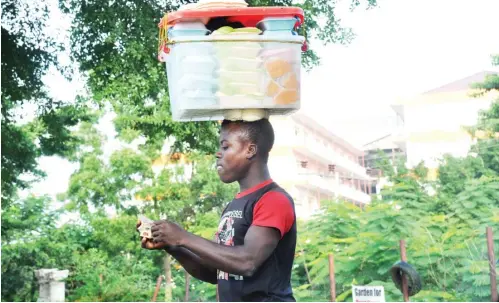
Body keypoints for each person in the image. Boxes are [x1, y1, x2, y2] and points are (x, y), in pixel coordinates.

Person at [138, 118, 297, 302]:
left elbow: (248, 261)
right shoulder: (233, 206)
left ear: (250, 150)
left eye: (225, 147)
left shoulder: (273, 200)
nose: (218, 154)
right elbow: (214, 272)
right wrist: (172, 246)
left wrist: (182, 236)